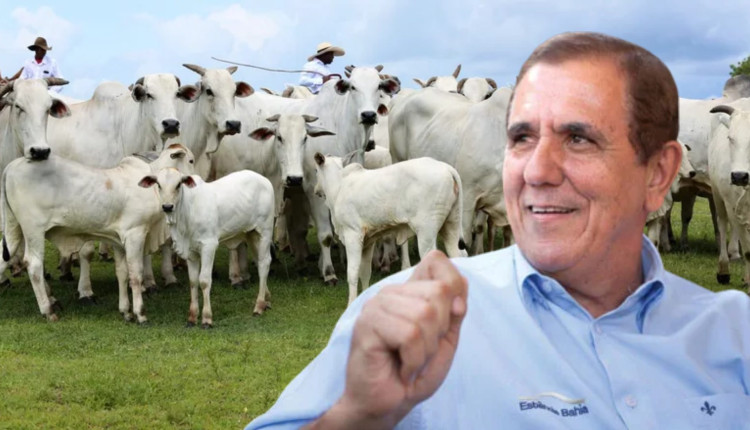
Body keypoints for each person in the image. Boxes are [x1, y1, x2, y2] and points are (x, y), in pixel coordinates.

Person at [248, 32, 750, 429]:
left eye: (579, 139)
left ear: (659, 174)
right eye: (521, 138)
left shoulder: (734, 334)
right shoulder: (402, 316)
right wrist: (356, 415)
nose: (537, 171)